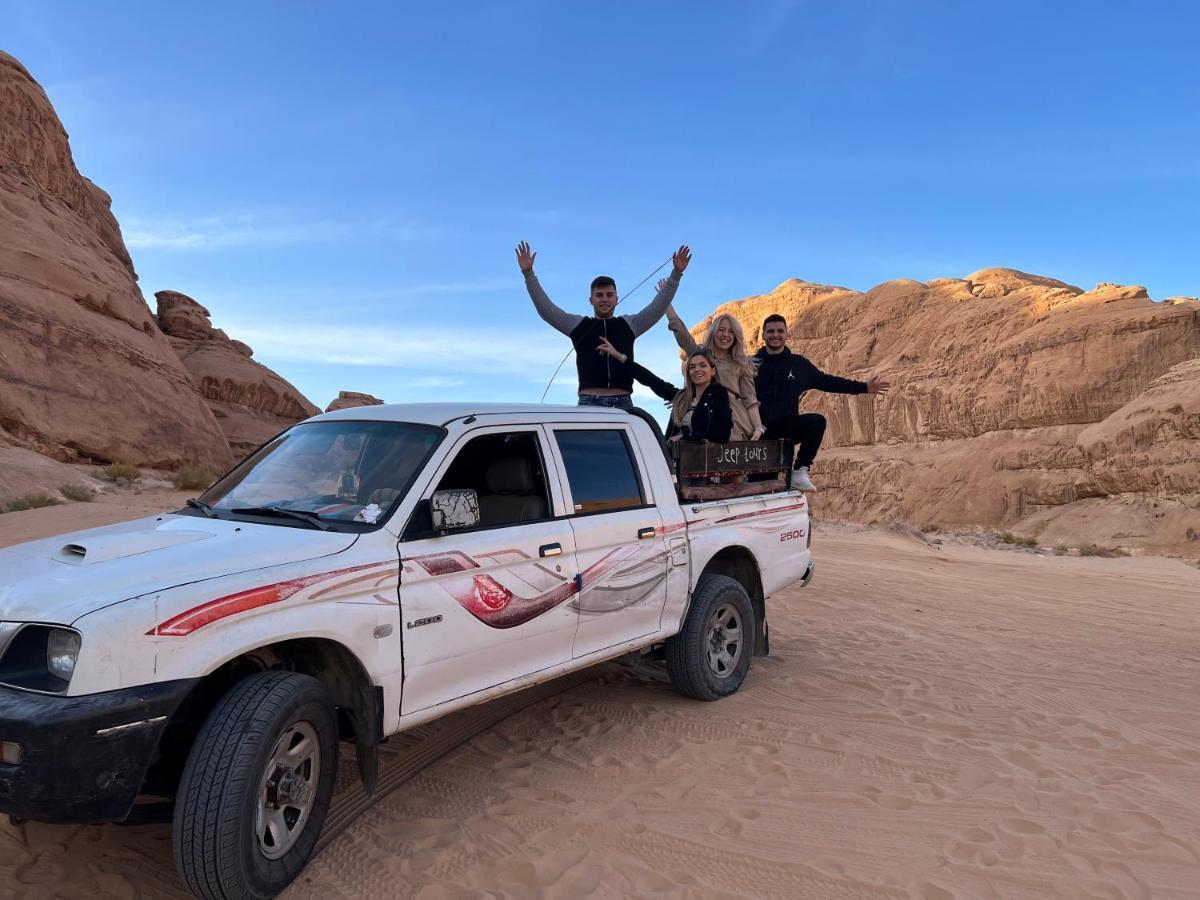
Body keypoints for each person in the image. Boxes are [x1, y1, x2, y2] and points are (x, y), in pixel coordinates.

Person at [516, 241, 691, 408]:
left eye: (609, 295)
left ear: (617, 299)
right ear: (591, 300)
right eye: (599, 295)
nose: (604, 299)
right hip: (589, 402)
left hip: (624, 402)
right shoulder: (577, 325)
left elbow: (657, 308)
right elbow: (547, 310)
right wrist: (529, 274)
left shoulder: (630, 324)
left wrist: (676, 274)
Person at [754, 313, 890, 491]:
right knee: (760, 487)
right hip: (757, 434)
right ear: (763, 335)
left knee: (817, 422)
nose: (775, 335)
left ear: (787, 334)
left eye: (780, 330)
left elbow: (828, 382)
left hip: (786, 429)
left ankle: (800, 470)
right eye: (770, 331)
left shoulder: (799, 365)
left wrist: (864, 387)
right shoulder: (751, 364)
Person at [662, 298, 764, 440]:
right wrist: (666, 305)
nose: (725, 335)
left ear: (735, 336)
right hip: (703, 411)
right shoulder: (702, 355)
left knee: (726, 455)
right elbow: (683, 337)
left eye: (731, 331)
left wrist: (758, 426)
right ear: (713, 332)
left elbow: (749, 398)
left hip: (732, 417)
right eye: (721, 330)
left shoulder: (741, 363)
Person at [596, 339, 731, 442]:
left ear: (712, 371)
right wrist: (620, 357)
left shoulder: (718, 394)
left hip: (702, 467)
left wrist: (687, 436)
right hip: (676, 463)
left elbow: (723, 434)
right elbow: (652, 381)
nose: (697, 370)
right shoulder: (682, 397)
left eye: (703, 365)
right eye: (692, 367)